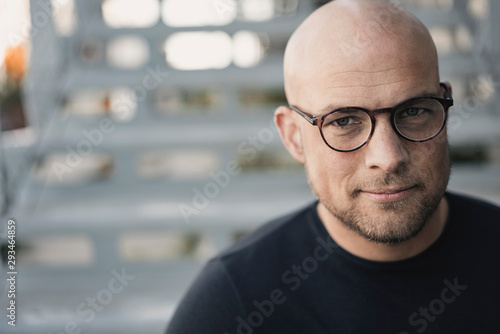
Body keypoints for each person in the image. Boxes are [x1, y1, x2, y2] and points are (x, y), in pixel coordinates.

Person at [165, 0, 500, 332]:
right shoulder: (233, 303)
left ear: (445, 110)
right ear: (293, 136)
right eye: (344, 121)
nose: (388, 157)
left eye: (414, 111)